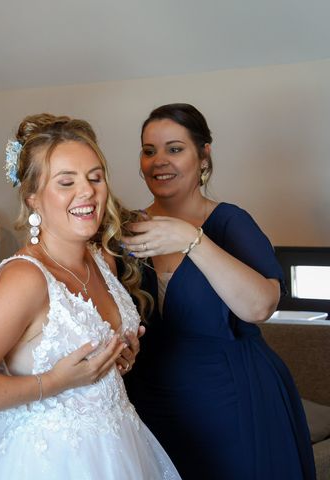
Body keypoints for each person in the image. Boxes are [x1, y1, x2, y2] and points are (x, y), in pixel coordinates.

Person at [0, 114, 180, 479]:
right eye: (66, 182)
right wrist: (55, 383)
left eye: (95, 178)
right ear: (33, 198)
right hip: (44, 460)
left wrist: (118, 356)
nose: (87, 192)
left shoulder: (101, 259)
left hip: (117, 448)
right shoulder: (25, 279)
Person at [122, 103, 316, 479]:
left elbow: (261, 306)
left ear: (203, 155)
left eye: (175, 149)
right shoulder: (126, 231)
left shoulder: (230, 222)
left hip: (232, 396)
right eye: (150, 151)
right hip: (151, 399)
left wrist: (192, 239)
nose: (159, 161)